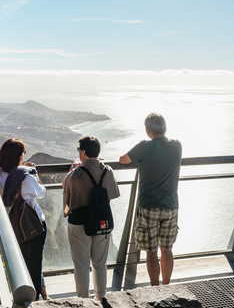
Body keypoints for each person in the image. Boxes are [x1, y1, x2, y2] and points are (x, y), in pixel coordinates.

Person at [119, 113, 182, 286]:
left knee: (151, 251)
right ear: (165, 128)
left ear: (148, 130)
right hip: (170, 205)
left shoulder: (144, 147)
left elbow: (123, 160)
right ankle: (166, 286)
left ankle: (155, 289)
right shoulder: (177, 146)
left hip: (149, 206)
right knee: (167, 249)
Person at [62, 136, 120, 301]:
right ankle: (101, 297)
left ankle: (84, 300)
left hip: (79, 223)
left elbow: (65, 187)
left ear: (84, 152)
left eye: (79, 150)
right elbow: (112, 193)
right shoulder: (107, 171)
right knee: (100, 262)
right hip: (101, 221)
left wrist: (72, 170)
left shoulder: (76, 173)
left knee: (81, 265)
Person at [0, 138, 47, 301]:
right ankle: (34, 301)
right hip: (35, 224)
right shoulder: (26, 178)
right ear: (19, 157)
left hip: (13, 225)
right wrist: (33, 173)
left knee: (22, 262)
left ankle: (21, 297)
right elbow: (41, 192)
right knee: (35, 264)